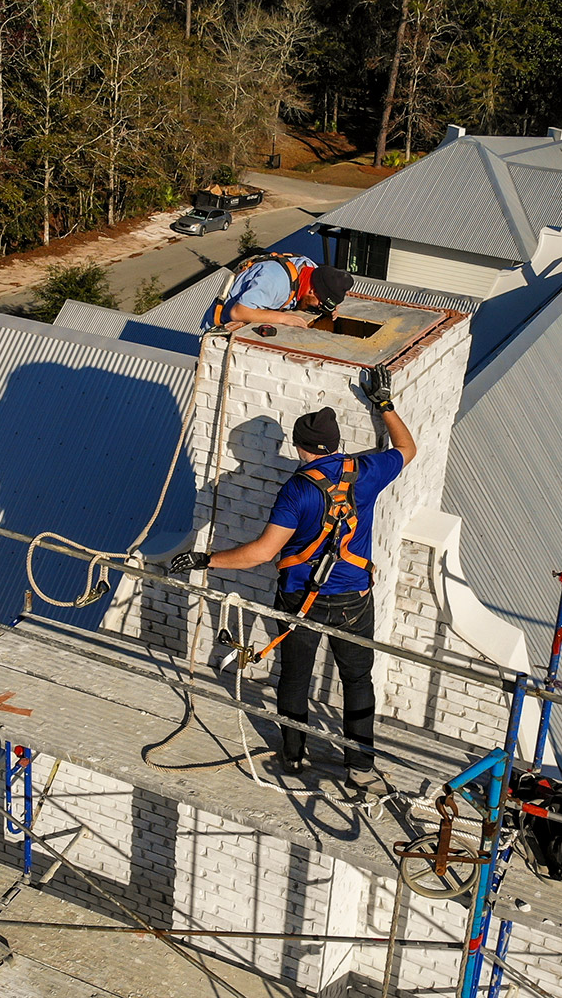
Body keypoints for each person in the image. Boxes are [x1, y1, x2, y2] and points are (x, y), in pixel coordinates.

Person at [170, 367, 416, 795]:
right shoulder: (368, 470)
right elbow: (407, 447)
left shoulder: (296, 491)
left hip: (302, 600)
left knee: (295, 676)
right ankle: (360, 768)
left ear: (300, 448)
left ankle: (295, 753)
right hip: (355, 599)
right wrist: (384, 405)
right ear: (334, 445)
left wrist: (205, 559)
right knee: (358, 681)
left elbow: (263, 553)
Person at [201, 255, 354, 331]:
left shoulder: (312, 270)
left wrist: (329, 307)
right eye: (320, 303)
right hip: (221, 324)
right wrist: (283, 318)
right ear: (312, 290)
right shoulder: (275, 282)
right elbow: (238, 312)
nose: (319, 306)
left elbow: (323, 289)